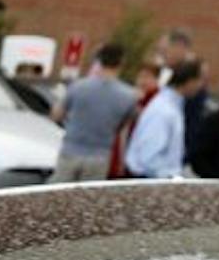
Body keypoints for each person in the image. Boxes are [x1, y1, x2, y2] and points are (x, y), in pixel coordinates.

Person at [50, 42, 137, 183]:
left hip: (71, 150)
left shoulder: (78, 86)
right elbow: (123, 125)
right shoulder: (128, 95)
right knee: (88, 201)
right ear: (121, 62)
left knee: (60, 197)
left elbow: (56, 115)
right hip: (99, 155)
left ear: (99, 59)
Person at [122, 58, 202, 179]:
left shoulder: (170, 106)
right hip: (149, 180)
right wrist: (172, 177)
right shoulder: (164, 110)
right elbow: (149, 156)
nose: (201, 85)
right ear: (190, 81)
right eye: (199, 79)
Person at [108, 61, 163, 179]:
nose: (142, 81)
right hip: (124, 154)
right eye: (140, 76)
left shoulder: (157, 101)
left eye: (147, 77)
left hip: (142, 160)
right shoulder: (132, 96)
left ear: (156, 80)